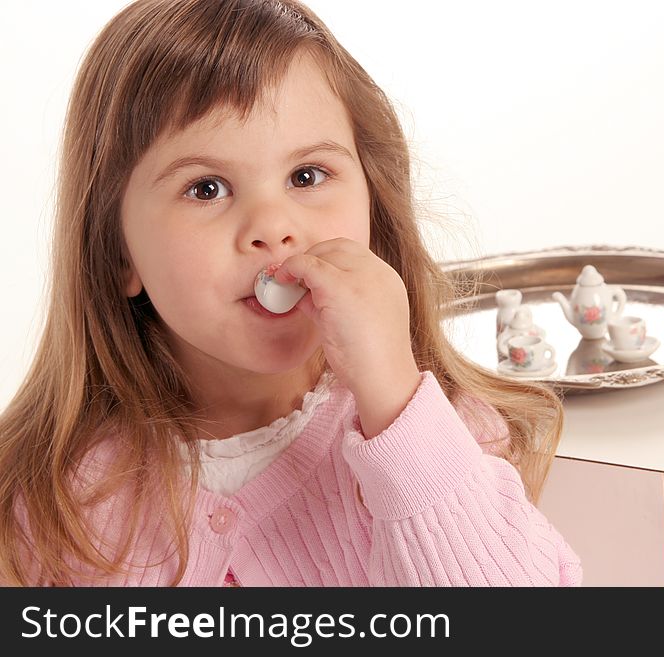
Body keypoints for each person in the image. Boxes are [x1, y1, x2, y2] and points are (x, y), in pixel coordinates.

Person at [0, 0, 582, 587]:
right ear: (119, 251)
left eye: (307, 176)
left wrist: (394, 397)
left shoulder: (439, 438)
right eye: (206, 188)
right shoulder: (55, 503)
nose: (272, 227)